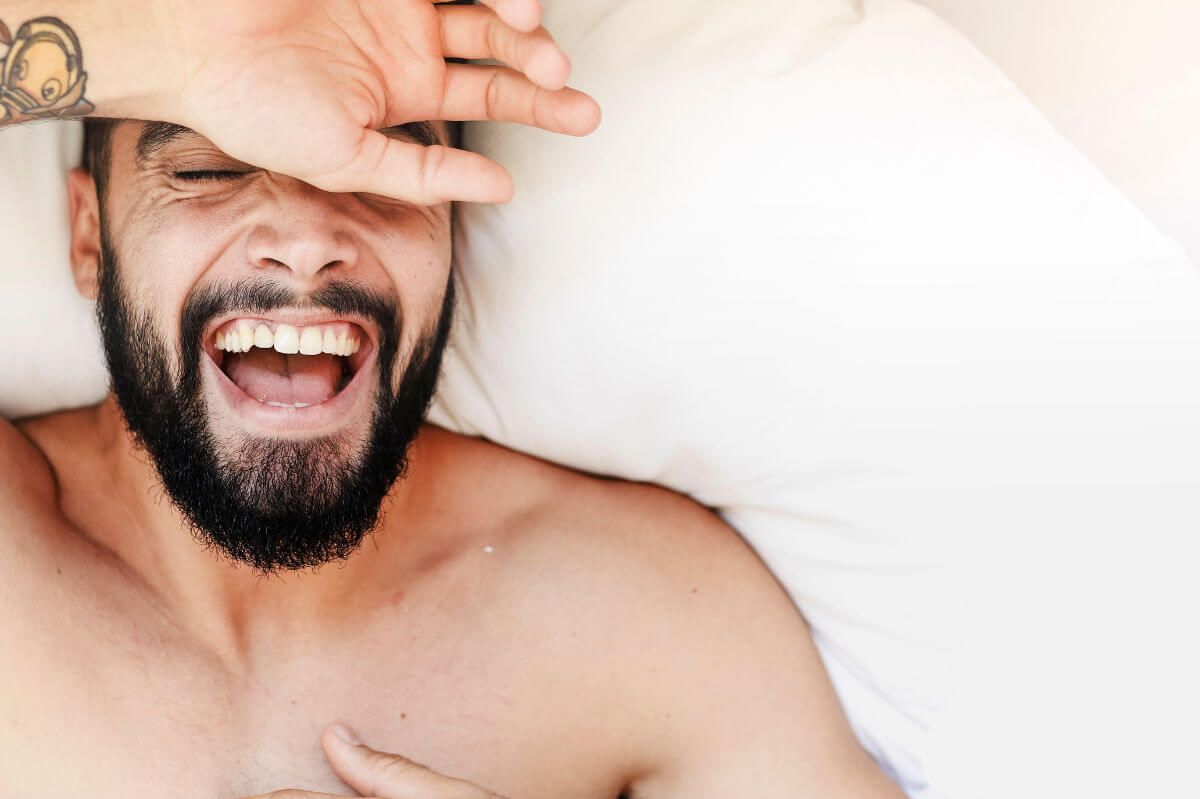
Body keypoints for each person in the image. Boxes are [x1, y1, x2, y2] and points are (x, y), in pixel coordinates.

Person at [0, 2, 905, 797]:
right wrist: (158, 43)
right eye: (206, 168)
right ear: (90, 239)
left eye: (387, 175)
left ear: (452, 242)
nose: (308, 241)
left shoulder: (653, 619)